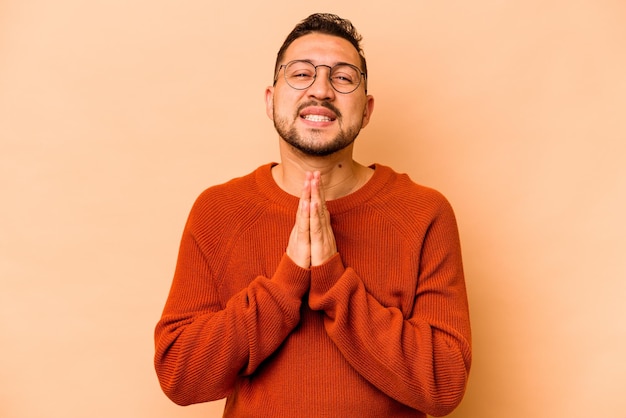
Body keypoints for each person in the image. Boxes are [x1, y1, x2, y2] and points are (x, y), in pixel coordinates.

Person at [154, 13, 471, 418]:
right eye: (301, 74)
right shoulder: (218, 211)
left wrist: (334, 282)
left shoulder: (425, 213)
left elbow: (444, 386)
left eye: (343, 78)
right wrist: (285, 285)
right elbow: (181, 377)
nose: (320, 90)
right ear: (270, 101)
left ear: (367, 109)